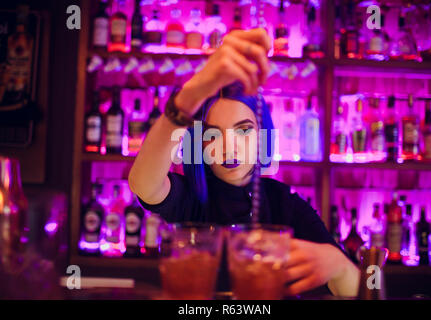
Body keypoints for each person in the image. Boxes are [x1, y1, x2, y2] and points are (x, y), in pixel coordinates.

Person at [128, 28, 360, 297]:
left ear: (262, 136)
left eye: (244, 130)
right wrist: (191, 95)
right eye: (212, 135)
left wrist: (340, 266)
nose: (229, 146)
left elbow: (359, 289)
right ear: (197, 144)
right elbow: (143, 183)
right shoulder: (191, 201)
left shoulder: (283, 204)